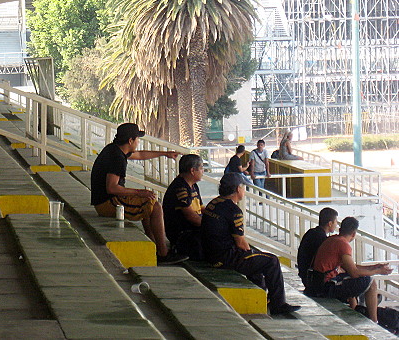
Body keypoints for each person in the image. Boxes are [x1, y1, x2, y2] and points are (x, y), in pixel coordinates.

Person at [201, 173, 301, 315]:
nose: (244, 190)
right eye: (243, 187)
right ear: (237, 189)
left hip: (211, 254)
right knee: (271, 261)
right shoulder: (234, 211)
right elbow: (241, 242)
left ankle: (261, 293)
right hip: (224, 258)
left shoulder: (214, 203)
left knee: (256, 257)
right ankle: (278, 304)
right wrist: (251, 253)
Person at [91, 123, 187, 265]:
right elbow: (112, 188)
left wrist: (165, 154)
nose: (138, 142)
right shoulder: (117, 158)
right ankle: (163, 253)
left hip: (106, 200)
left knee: (148, 204)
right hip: (107, 203)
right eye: (137, 139)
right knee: (155, 207)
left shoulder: (114, 149)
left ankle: (155, 247)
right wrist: (139, 192)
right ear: (130, 141)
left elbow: (140, 155)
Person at [312, 217, 392, 322]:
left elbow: (350, 267)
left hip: (318, 282)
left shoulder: (333, 240)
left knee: (352, 279)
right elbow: (354, 272)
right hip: (325, 286)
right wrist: (378, 271)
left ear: (340, 230)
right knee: (370, 281)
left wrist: (374, 267)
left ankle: (357, 310)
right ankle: (373, 320)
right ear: (354, 234)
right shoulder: (343, 244)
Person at [163, 154, 204, 260]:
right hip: (183, 233)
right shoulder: (180, 187)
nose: (203, 171)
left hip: (194, 229)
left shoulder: (193, 185)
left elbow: (202, 208)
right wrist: (210, 225)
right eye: (201, 168)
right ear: (192, 171)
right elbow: (190, 216)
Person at [297, 207, 338, 290]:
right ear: (330, 223)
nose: (336, 224)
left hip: (305, 275)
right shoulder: (323, 239)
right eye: (336, 222)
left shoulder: (311, 232)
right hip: (313, 280)